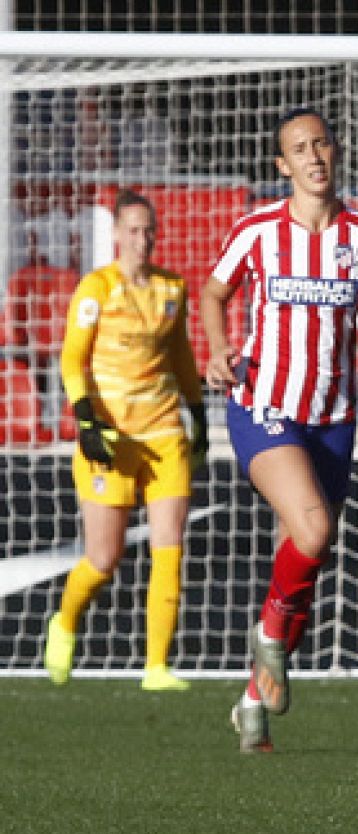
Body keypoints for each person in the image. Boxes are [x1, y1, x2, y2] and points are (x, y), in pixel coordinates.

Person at [200, 107, 358, 753]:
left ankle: (251, 703)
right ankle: (269, 641)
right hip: (263, 403)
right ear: (283, 165)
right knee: (315, 529)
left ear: (335, 151)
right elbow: (215, 293)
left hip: (333, 418)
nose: (314, 155)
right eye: (300, 148)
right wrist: (217, 350)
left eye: (321, 142)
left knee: (306, 556)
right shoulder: (258, 232)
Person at [43, 189, 207, 692]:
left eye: (149, 229)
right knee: (103, 559)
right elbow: (73, 359)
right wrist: (87, 420)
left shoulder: (172, 289)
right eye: (133, 230)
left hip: (163, 433)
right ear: (115, 233)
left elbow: (180, 358)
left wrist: (197, 411)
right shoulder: (97, 288)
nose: (143, 239)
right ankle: (65, 621)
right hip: (111, 437)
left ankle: (156, 666)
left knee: (169, 546)